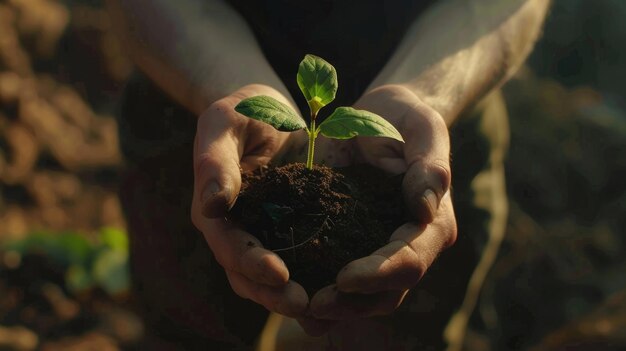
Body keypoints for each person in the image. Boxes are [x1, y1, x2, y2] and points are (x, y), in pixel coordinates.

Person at [106, 0, 550, 349]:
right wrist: (225, 85)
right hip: (196, 113)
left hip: (437, 121)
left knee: (406, 338)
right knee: (192, 329)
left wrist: (428, 96)